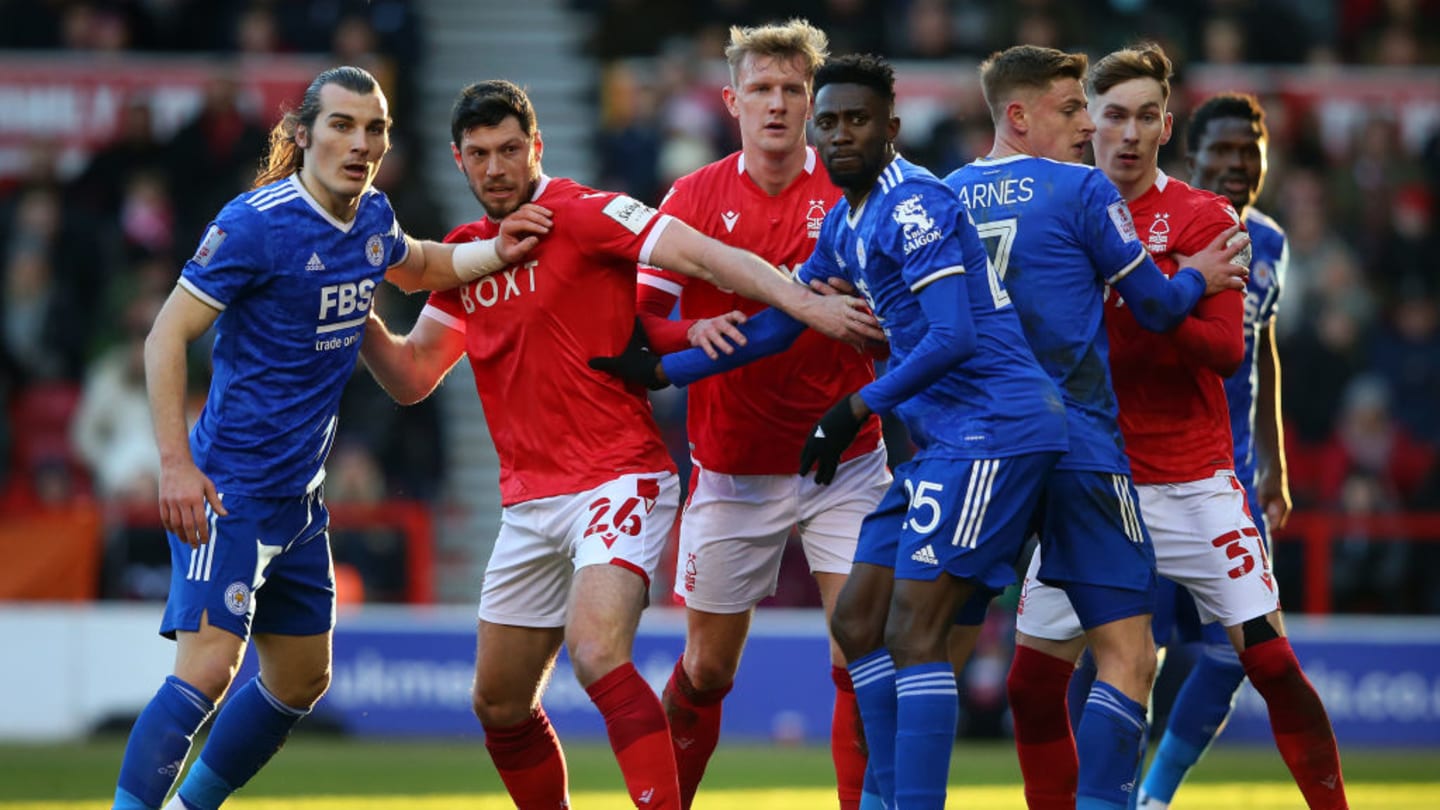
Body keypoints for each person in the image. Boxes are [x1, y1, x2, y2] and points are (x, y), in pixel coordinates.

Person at [359, 79, 881, 810]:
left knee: (598, 650)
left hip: (620, 478)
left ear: (536, 146)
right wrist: (359, 319)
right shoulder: (465, 258)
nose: (497, 168)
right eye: (479, 155)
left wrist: (799, 301)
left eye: (511, 149)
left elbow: (702, 256)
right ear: (459, 161)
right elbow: (413, 375)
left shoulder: (589, 212)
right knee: (498, 704)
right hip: (528, 502)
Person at [597, 52, 1074, 810]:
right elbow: (779, 325)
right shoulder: (835, 219)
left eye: (852, 118)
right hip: (792, 461)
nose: (833, 131)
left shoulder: (910, 203)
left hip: (965, 437)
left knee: (907, 634)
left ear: (890, 126)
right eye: (832, 119)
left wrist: (854, 408)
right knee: (824, 635)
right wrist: (661, 374)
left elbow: (952, 337)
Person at [111, 65, 552, 810]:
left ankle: (192, 806)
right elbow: (164, 337)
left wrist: (497, 250)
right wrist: (175, 466)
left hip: (300, 501)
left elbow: (421, 267)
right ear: (302, 135)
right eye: (343, 125)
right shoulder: (255, 222)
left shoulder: (373, 217)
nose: (361, 142)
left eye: (374, 127)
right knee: (208, 673)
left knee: (300, 679)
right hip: (231, 490)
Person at [1010, 44, 1348, 810]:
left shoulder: (1204, 214)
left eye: (1146, 116)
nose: (1128, 133)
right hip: (1095, 484)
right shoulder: (1056, 211)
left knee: (1270, 665)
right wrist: (1170, 287)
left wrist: (1134, 297)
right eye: (1113, 115)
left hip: (1196, 485)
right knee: (1032, 686)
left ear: (1167, 127)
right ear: (1087, 122)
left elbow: (1228, 349)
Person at [941, 44, 1248, 810]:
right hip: (1078, 447)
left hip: (971, 450)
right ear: (1020, 115)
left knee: (921, 651)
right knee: (1131, 657)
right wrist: (1196, 276)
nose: (1089, 127)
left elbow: (915, 333)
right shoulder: (1080, 189)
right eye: (1075, 109)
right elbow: (1155, 306)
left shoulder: (940, 197)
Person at [631, 20, 888, 809]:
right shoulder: (693, 198)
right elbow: (642, 324)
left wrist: (877, 310)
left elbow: (910, 313)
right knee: (708, 670)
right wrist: (692, 331)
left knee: (862, 648)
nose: (777, 105)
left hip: (845, 461)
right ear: (731, 100)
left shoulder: (860, 191)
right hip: (733, 466)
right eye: (762, 90)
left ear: (811, 103)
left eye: (792, 91)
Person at [1134, 92, 1292, 810]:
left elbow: (1261, 348)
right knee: (1125, 647)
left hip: (1232, 478)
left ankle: (1153, 795)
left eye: (1247, 151)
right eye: (1221, 151)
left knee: (1240, 652)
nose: (1235, 163)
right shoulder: (1163, 229)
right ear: (1191, 155)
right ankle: (1096, 788)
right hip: (1150, 469)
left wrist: (1276, 464)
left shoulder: (1273, 243)